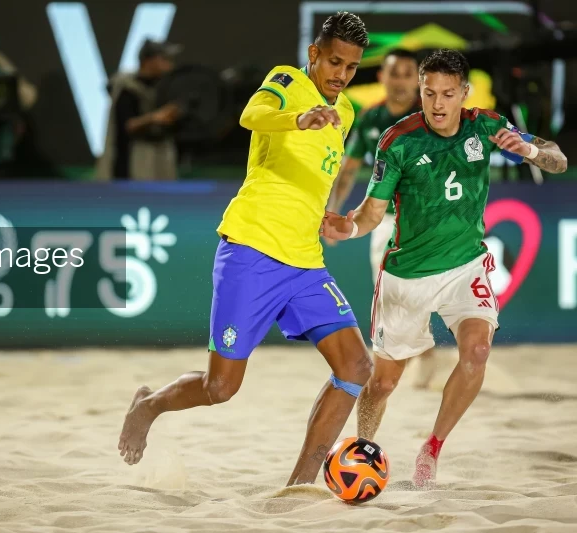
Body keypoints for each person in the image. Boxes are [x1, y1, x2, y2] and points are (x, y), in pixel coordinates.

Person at [118, 12, 374, 487]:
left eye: (351, 67)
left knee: (357, 365)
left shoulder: (348, 113)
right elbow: (249, 116)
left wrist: (326, 216)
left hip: (304, 262)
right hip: (252, 250)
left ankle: (299, 487)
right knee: (221, 388)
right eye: (334, 61)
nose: (341, 74)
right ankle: (149, 406)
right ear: (315, 54)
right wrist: (299, 118)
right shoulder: (286, 80)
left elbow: (318, 176)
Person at [321, 49, 567, 489]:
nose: (437, 104)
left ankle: (431, 448)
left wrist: (528, 149)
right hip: (407, 276)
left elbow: (558, 160)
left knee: (476, 352)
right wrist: (347, 225)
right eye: (429, 92)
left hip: (465, 267)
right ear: (420, 90)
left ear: (464, 94)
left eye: (447, 94)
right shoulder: (398, 140)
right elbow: (372, 213)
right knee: (383, 383)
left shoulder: (486, 125)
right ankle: (363, 449)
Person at [325, 48, 441, 403]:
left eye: (409, 74)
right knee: (388, 287)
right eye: (396, 73)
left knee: (420, 289)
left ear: (417, 80)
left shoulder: (429, 117)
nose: (402, 80)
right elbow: (348, 169)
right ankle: (421, 353)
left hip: (426, 217)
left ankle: (423, 351)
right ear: (383, 77)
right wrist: (333, 210)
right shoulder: (371, 118)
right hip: (383, 218)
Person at [95, 39, 182, 181]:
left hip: (160, 160)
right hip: (130, 163)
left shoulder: (166, 86)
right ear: (149, 61)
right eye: (164, 59)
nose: (170, 64)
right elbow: (128, 125)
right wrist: (155, 118)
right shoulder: (127, 86)